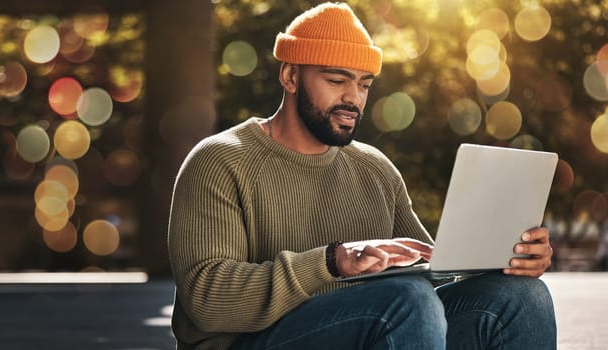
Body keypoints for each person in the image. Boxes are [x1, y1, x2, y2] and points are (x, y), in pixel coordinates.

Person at [168, 3, 556, 349]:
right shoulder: (219, 161)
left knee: (521, 296)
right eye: (337, 81)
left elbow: (432, 273)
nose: (353, 98)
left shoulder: (375, 169)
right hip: (250, 343)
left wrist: (509, 259)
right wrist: (331, 262)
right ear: (289, 76)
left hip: (374, 329)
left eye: (364, 84)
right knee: (407, 301)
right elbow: (205, 300)